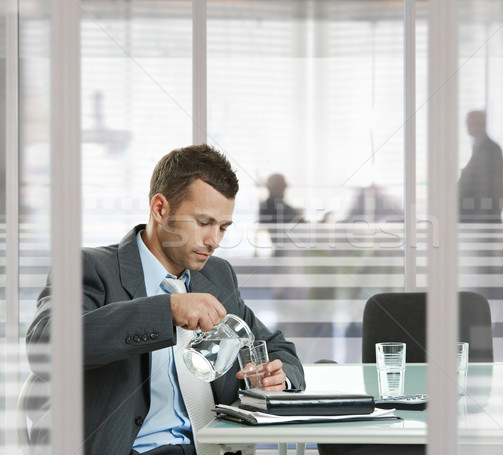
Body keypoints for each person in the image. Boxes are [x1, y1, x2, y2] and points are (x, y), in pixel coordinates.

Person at [26, 145, 305, 455]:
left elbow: (278, 349)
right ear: (160, 209)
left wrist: (280, 379)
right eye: (202, 223)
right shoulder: (90, 268)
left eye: (223, 227)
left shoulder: (217, 276)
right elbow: (44, 347)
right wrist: (166, 310)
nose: (214, 241)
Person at [458, 110, 503, 223]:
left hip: (481, 218)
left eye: (470, 122)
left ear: (481, 123)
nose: (467, 126)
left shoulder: (491, 149)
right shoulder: (478, 147)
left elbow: (491, 187)